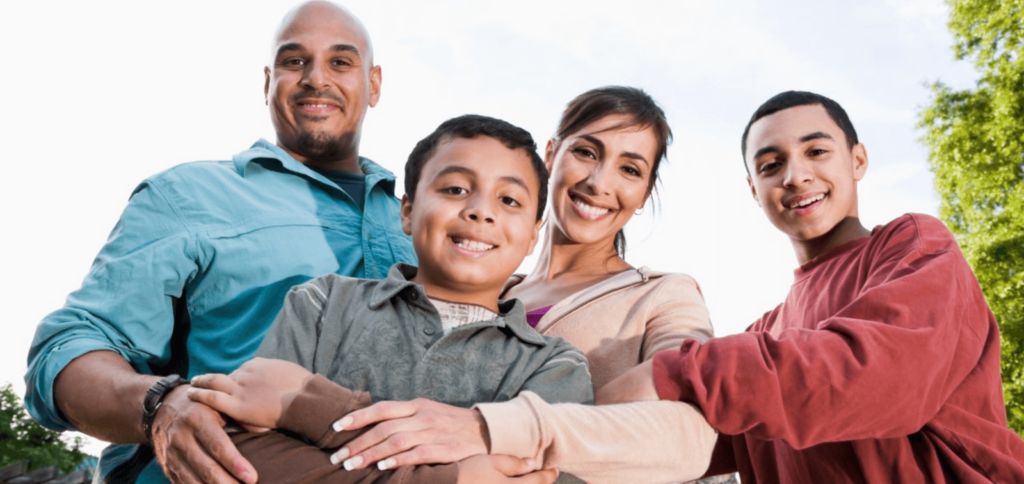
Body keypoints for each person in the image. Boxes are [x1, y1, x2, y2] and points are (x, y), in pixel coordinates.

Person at [24, 0, 414, 484]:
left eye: (341, 61)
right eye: (294, 61)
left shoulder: (429, 225)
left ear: (373, 84)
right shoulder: (187, 195)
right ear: (267, 82)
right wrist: (161, 406)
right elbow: (66, 349)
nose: (317, 78)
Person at [308, 87, 721, 483]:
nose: (599, 182)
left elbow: (690, 438)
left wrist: (490, 429)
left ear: (644, 194)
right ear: (551, 154)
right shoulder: (477, 287)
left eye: (630, 170)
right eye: (585, 152)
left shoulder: (664, 295)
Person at [610, 90, 1024, 482]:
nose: (795, 176)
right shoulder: (764, 334)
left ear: (857, 160)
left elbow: (883, 379)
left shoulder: (913, 245)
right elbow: (687, 443)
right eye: (771, 165)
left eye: (817, 152)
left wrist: (679, 371)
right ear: (755, 190)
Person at [187, 114, 594, 484]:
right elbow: (245, 460)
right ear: (407, 211)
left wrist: (310, 408)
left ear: (533, 236)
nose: (479, 211)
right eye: (455, 188)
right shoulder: (323, 303)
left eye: (509, 200)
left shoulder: (553, 366)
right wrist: (445, 479)